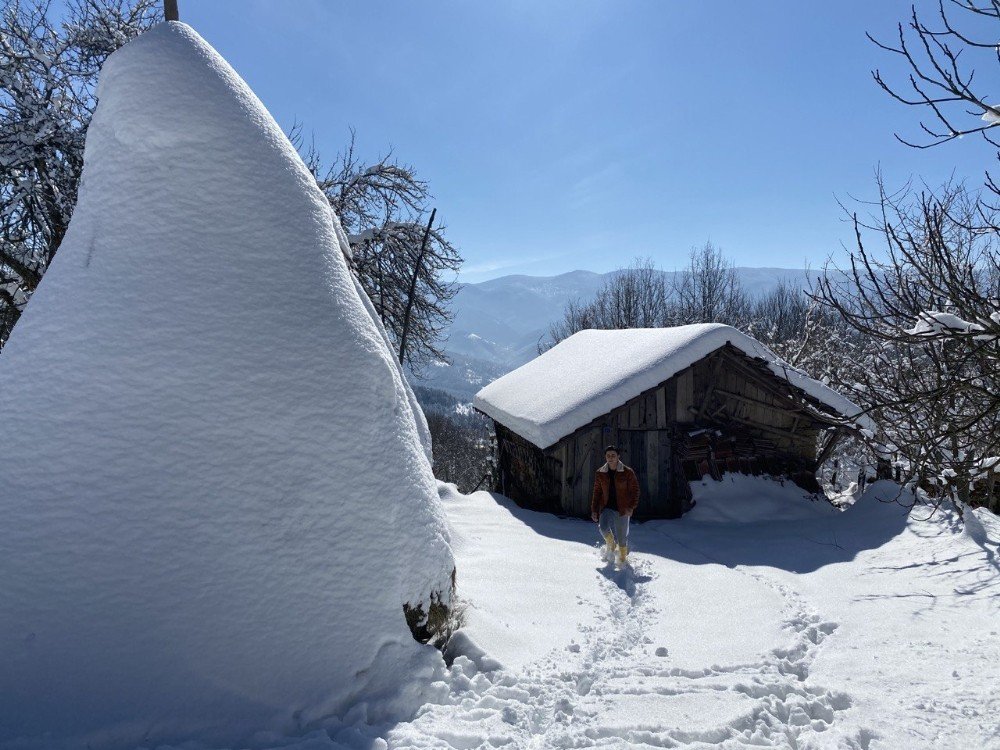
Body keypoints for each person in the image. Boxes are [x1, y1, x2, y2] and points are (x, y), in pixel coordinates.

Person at [590, 445, 640, 565]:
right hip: (606, 507)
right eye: (608, 455)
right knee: (602, 528)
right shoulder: (600, 472)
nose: (610, 458)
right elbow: (597, 492)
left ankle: (622, 562)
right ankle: (611, 544)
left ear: (618, 456)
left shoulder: (627, 472)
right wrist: (594, 510)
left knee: (621, 537)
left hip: (622, 508)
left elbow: (635, 490)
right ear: (605, 457)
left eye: (613, 455)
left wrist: (631, 507)